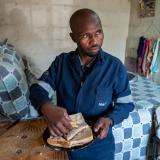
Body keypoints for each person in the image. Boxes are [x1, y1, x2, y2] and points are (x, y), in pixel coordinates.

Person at [30, 8, 134, 160]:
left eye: (98, 32)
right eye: (85, 35)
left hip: (99, 147)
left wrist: (109, 119)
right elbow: (37, 89)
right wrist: (47, 108)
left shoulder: (115, 67)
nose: (94, 41)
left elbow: (126, 104)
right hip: (63, 143)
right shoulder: (62, 63)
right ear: (73, 37)